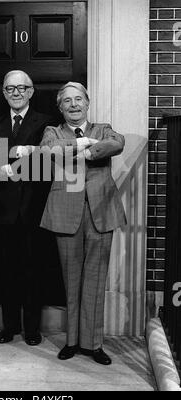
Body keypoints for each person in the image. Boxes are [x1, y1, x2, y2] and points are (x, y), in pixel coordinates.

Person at [40, 82, 126, 365]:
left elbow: (116, 143)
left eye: (79, 99)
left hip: (101, 211)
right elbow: (47, 150)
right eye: (67, 101)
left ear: (87, 102)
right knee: (71, 279)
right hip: (65, 212)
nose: (74, 105)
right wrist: (78, 143)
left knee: (96, 279)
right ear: (60, 107)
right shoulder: (53, 132)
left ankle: (93, 343)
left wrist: (89, 151)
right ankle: (73, 341)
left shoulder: (103, 128)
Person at [0, 70, 53, 346]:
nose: (16, 93)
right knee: (6, 270)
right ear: (3, 92)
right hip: (3, 210)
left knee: (33, 270)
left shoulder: (46, 124)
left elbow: (49, 163)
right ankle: (9, 327)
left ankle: (32, 329)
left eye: (21, 88)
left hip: (34, 208)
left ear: (31, 91)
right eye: (10, 88)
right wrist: (1, 169)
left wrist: (14, 164)